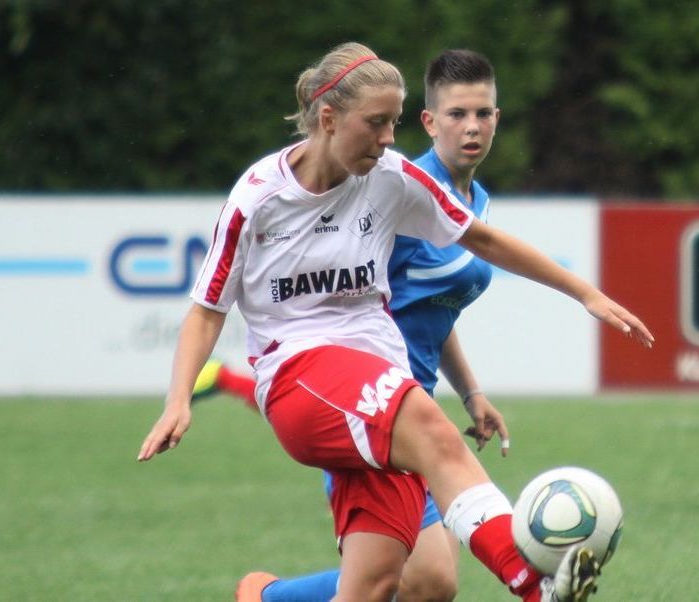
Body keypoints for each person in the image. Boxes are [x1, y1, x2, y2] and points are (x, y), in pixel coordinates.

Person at [138, 42, 653, 602]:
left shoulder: (391, 177)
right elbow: (206, 308)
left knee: (397, 585)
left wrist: (583, 293)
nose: (388, 139)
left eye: (395, 123)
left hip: (377, 378)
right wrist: (179, 399)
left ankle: (261, 597)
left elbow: (480, 240)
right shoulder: (259, 198)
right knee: (436, 434)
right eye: (376, 123)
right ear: (328, 118)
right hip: (299, 379)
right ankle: (537, 587)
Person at [202, 48, 506, 602]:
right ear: (429, 121)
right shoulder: (395, 188)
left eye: (484, 113)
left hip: (413, 401)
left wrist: (472, 391)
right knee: (421, 580)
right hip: (363, 400)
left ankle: (265, 598)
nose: (473, 127)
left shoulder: (472, 200)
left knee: (422, 584)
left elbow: (434, 304)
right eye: (458, 113)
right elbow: (342, 307)